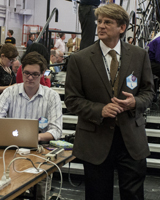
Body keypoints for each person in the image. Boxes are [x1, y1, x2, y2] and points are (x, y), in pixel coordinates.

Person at [65, 4, 154, 200]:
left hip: (130, 139)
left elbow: (149, 92)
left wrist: (135, 102)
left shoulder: (140, 56)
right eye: (99, 22)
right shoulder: (79, 59)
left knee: (133, 195)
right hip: (95, 139)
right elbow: (71, 100)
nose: (101, 26)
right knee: (97, 195)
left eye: (108, 22)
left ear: (122, 28)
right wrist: (100, 109)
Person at [0, 52, 62, 200]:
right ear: (21, 72)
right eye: (27, 73)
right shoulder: (10, 92)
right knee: (10, 191)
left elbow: (56, 130)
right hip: (9, 150)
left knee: (40, 193)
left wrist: (34, 137)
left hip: (39, 151)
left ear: (42, 74)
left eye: (35, 74)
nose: (30, 78)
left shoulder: (51, 96)